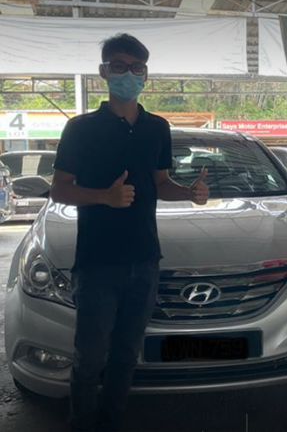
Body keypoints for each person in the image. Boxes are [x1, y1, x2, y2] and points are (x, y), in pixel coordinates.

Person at [50, 33, 209, 432]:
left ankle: (112, 423)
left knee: (125, 357)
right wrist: (104, 196)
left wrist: (189, 193)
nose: (128, 74)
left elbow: (160, 184)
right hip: (98, 263)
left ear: (146, 75)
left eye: (136, 68)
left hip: (145, 260)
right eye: (119, 66)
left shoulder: (157, 127)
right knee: (89, 359)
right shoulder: (81, 129)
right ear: (103, 72)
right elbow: (59, 188)